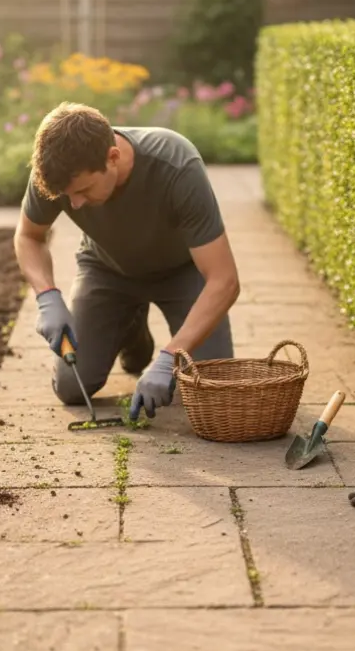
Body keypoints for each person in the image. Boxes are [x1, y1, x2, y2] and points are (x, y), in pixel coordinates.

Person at [14, 101, 240, 420]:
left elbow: (224, 281)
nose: (75, 205)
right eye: (67, 196)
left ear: (113, 158)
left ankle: (135, 330)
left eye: (83, 190)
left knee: (211, 387)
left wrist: (169, 358)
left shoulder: (177, 165)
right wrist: (47, 295)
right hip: (107, 271)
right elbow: (28, 236)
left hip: (181, 272)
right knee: (71, 388)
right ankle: (129, 326)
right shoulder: (55, 174)